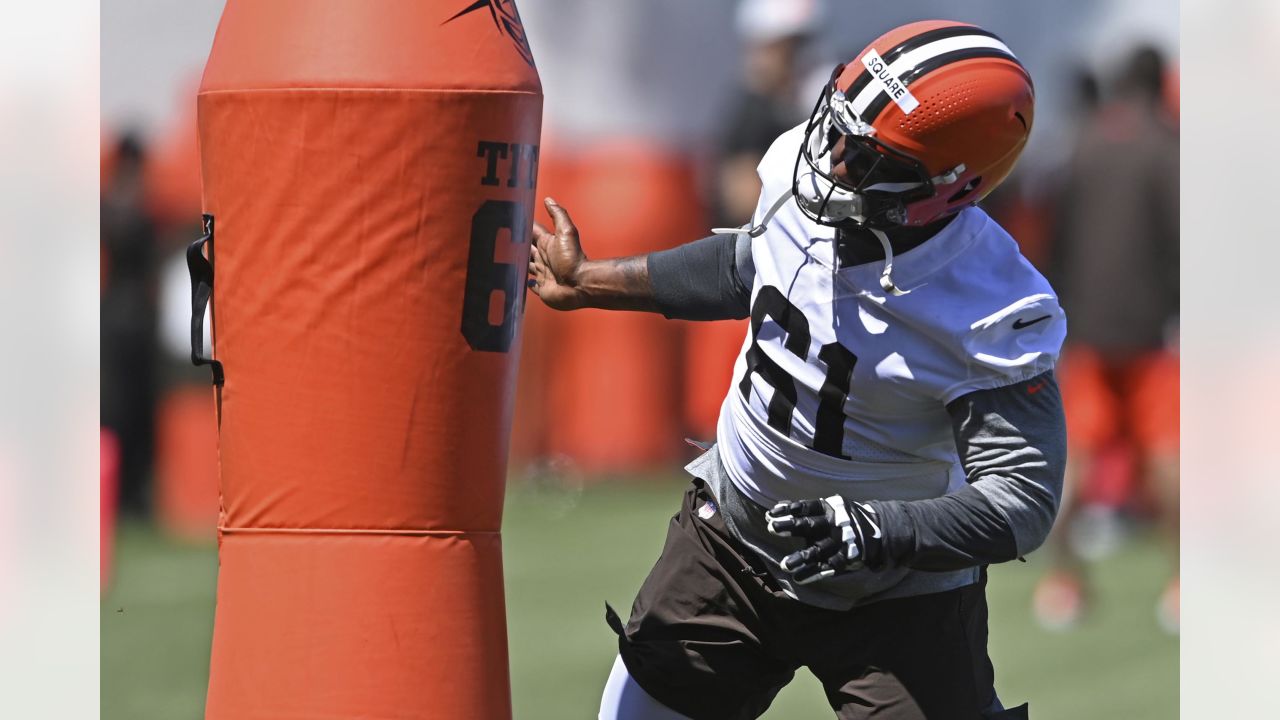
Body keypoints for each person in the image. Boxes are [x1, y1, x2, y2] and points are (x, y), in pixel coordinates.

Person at [528, 20, 1065, 720]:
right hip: (733, 541)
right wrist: (592, 281)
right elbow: (747, 265)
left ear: (952, 187)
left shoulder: (990, 305)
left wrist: (880, 529)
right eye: (836, 130)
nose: (833, 163)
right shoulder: (794, 168)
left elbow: (1021, 497)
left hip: (894, 592)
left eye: (869, 160)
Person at [1034, 45, 1179, 633]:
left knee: (1074, 465)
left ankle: (1063, 586)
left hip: (1087, 330)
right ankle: (1180, 585)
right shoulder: (1166, 148)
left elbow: (1055, 239)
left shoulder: (1084, 146)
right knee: (1168, 457)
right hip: (1149, 333)